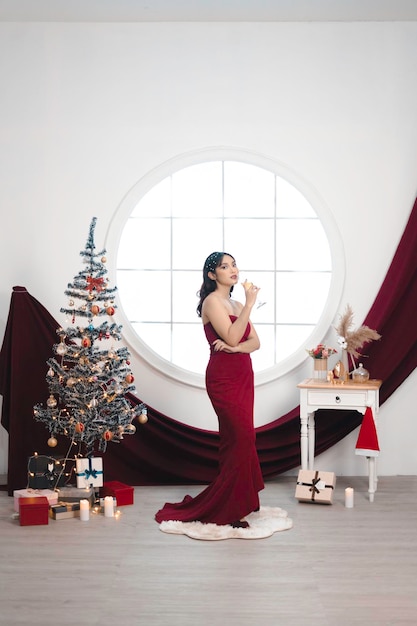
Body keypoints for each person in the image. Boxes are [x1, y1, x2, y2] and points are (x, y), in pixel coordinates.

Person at [155, 251, 264, 528]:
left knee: (242, 438)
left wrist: (236, 347)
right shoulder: (212, 302)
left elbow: (254, 342)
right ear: (212, 275)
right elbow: (230, 334)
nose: (232, 270)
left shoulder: (236, 303)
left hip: (243, 374)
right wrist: (250, 307)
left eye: (234, 264)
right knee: (238, 437)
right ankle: (229, 507)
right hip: (224, 378)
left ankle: (241, 501)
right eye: (224, 266)